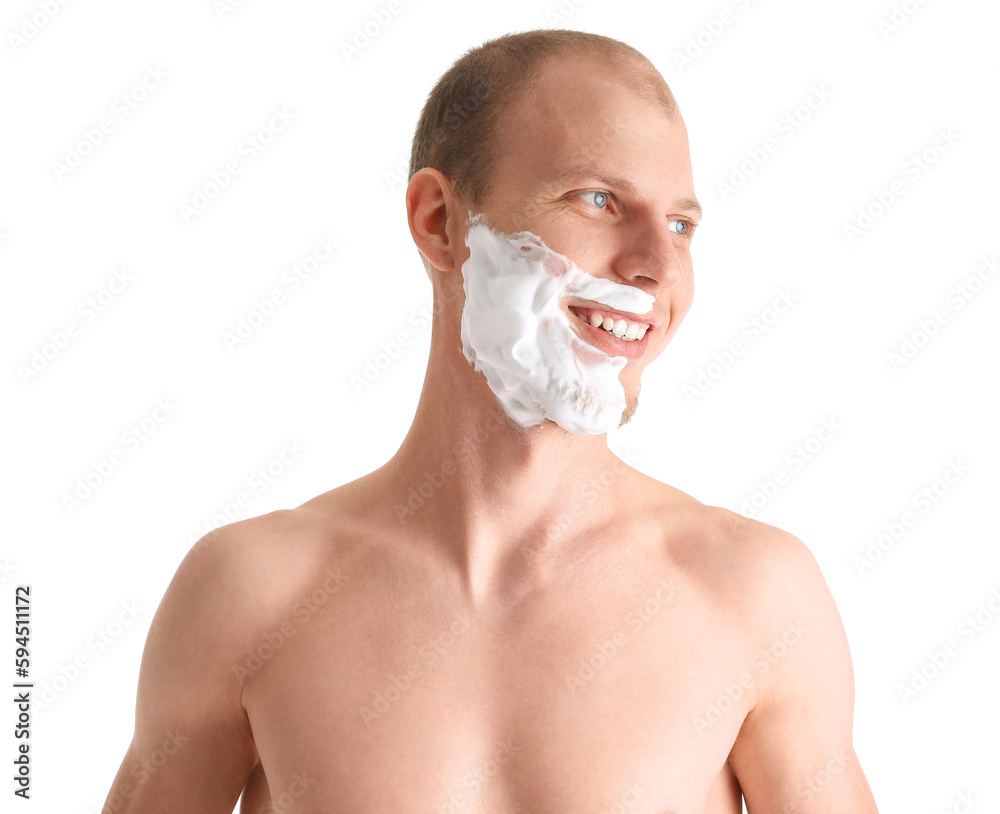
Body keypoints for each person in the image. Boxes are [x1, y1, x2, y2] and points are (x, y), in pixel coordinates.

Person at [102, 29, 879, 814]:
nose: (659, 267)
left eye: (681, 225)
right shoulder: (249, 595)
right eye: (600, 200)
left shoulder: (753, 598)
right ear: (440, 221)